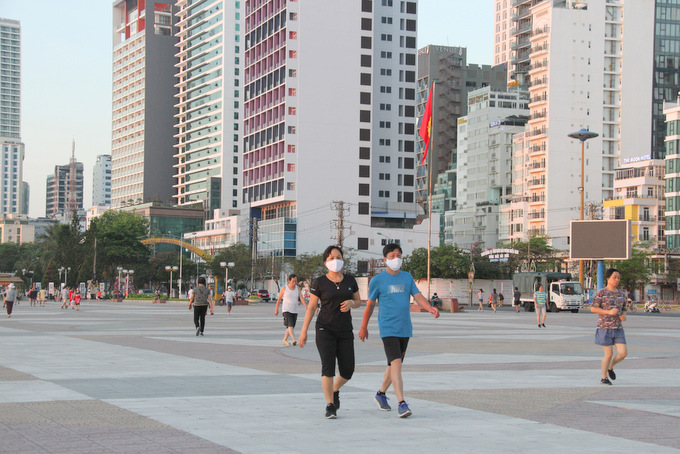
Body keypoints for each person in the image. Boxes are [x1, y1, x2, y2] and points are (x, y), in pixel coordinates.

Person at [359, 243, 440, 418]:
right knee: (396, 364)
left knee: (393, 365)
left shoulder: (407, 277)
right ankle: (402, 403)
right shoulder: (377, 280)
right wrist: (363, 326)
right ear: (385, 259)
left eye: (399, 255)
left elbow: (417, 296)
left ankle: (380, 394)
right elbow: (370, 305)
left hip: (404, 328)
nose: (396, 259)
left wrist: (430, 308)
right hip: (388, 328)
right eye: (392, 256)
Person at [298, 245, 362, 419]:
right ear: (325, 262)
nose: (336, 260)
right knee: (328, 368)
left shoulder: (350, 280)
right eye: (332, 258)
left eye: (339, 257)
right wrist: (303, 332)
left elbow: (359, 301)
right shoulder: (320, 282)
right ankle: (330, 405)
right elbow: (311, 308)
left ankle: (334, 390)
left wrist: (352, 304)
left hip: (345, 330)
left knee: (348, 370)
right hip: (324, 328)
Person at [591, 268, 628, 385]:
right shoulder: (601, 293)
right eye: (614, 277)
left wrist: (623, 315)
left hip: (618, 328)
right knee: (609, 354)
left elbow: (624, 309)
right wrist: (608, 312)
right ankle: (604, 377)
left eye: (618, 277)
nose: (617, 280)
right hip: (604, 327)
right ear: (608, 278)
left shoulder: (622, 294)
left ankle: (610, 367)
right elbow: (593, 308)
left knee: (623, 353)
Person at [275, 274, 307, 346]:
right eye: (293, 281)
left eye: (295, 281)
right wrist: (276, 309)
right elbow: (279, 299)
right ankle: (294, 340)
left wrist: (306, 306)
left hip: (294, 310)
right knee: (290, 325)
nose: (294, 283)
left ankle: (284, 340)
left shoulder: (297, 288)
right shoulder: (284, 288)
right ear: (289, 281)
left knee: (290, 327)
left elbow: (301, 298)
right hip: (286, 310)